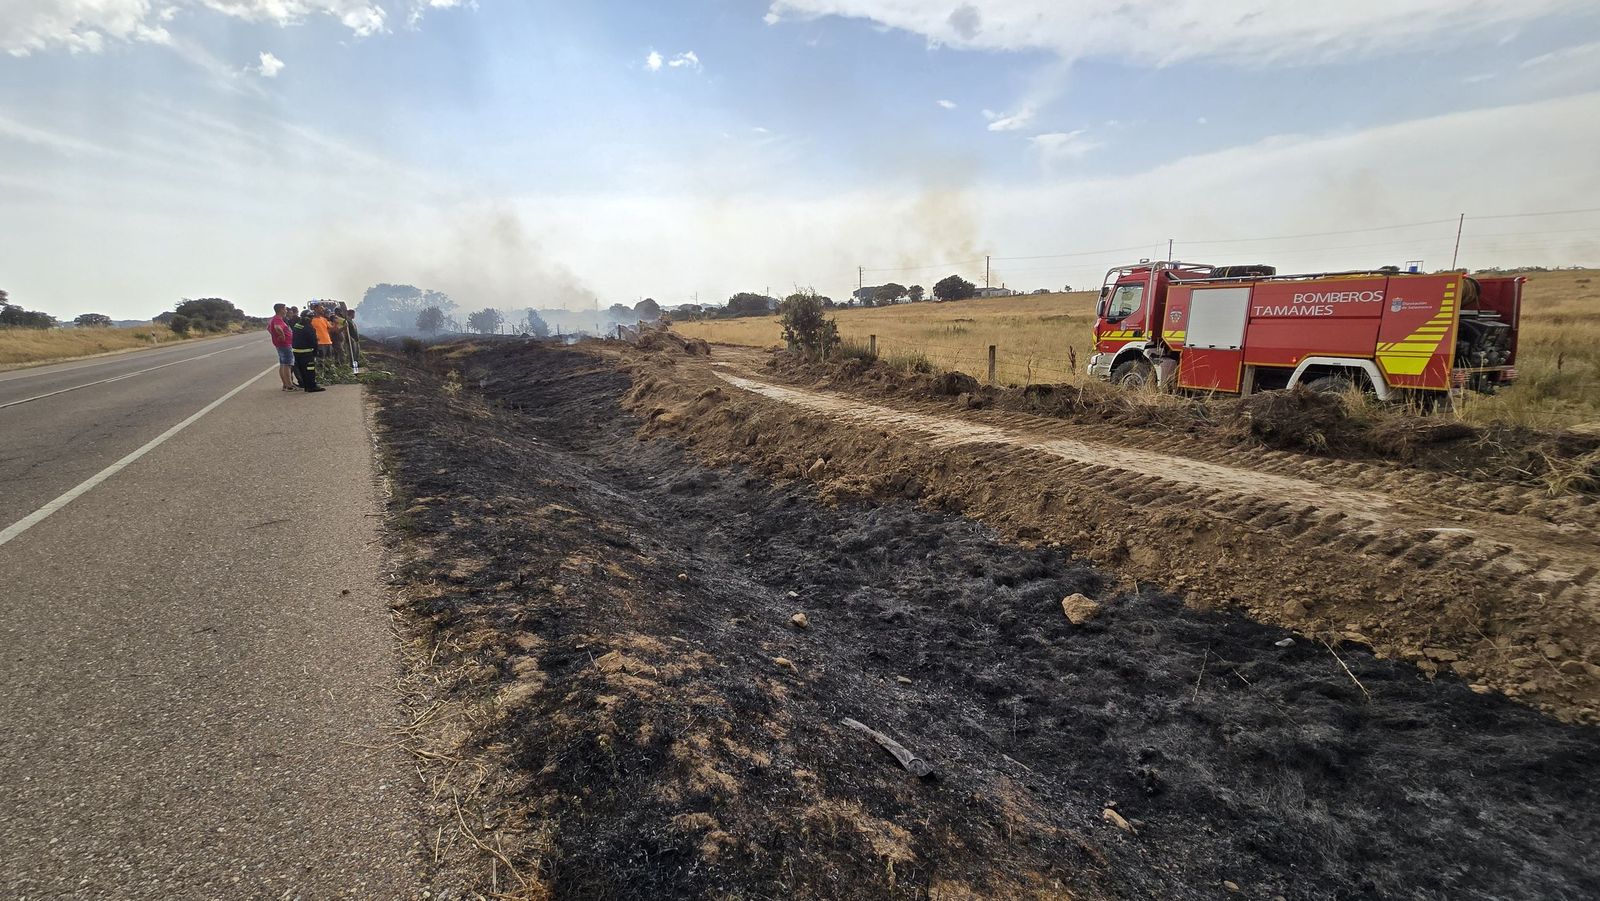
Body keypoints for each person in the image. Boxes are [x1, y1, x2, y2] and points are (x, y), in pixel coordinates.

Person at [292, 309, 325, 393]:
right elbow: (313, 342)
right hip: (306, 353)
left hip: (296, 353)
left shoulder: (297, 326)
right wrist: (315, 352)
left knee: (302, 371)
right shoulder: (309, 328)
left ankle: (306, 386)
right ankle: (311, 387)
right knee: (310, 370)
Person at [268, 303, 296, 391]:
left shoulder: (274, 319)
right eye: (285, 309)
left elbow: (269, 328)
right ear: (281, 310)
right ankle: (289, 386)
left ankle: (285, 384)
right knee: (287, 365)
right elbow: (277, 328)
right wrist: (282, 335)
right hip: (285, 345)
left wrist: (275, 336)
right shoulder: (277, 319)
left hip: (281, 345)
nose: (286, 310)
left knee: (283, 364)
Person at [310, 304, 334, 377]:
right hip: (320, 343)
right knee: (320, 360)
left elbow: (331, 329)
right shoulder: (312, 320)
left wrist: (337, 324)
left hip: (328, 342)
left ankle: (329, 375)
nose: (323, 310)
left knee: (329, 360)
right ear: (316, 309)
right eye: (321, 308)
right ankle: (321, 376)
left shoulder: (324, 319)